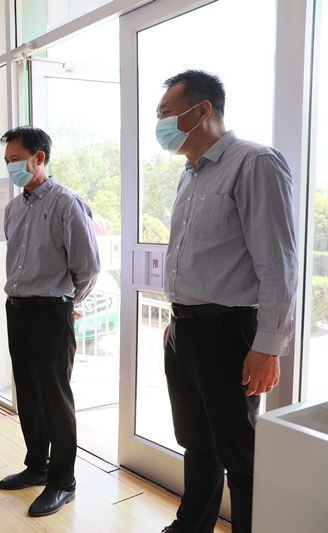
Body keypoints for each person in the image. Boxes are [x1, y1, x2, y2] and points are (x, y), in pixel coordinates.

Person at [156, 70, 296, 533]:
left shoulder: (255, 163)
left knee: (240, 454)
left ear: (202, 111)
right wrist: (178, 318)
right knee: (196, 443)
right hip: (185, 329)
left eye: (166, 112)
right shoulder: (189, 175)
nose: (159, 123)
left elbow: (277, 264)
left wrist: (268, 346)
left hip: (228, 331)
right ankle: (190, 526)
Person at [0, 126, 100, 517]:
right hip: (17, 309)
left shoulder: (66, 203)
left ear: (39, 158)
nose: (11, 166)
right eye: (7, 160)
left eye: (16, 159)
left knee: (55, 398)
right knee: (28, 393)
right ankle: (37, 466)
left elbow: (88, 267)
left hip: (50, 313)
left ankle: (63, 481)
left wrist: (68, 302)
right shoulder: (13, 208)